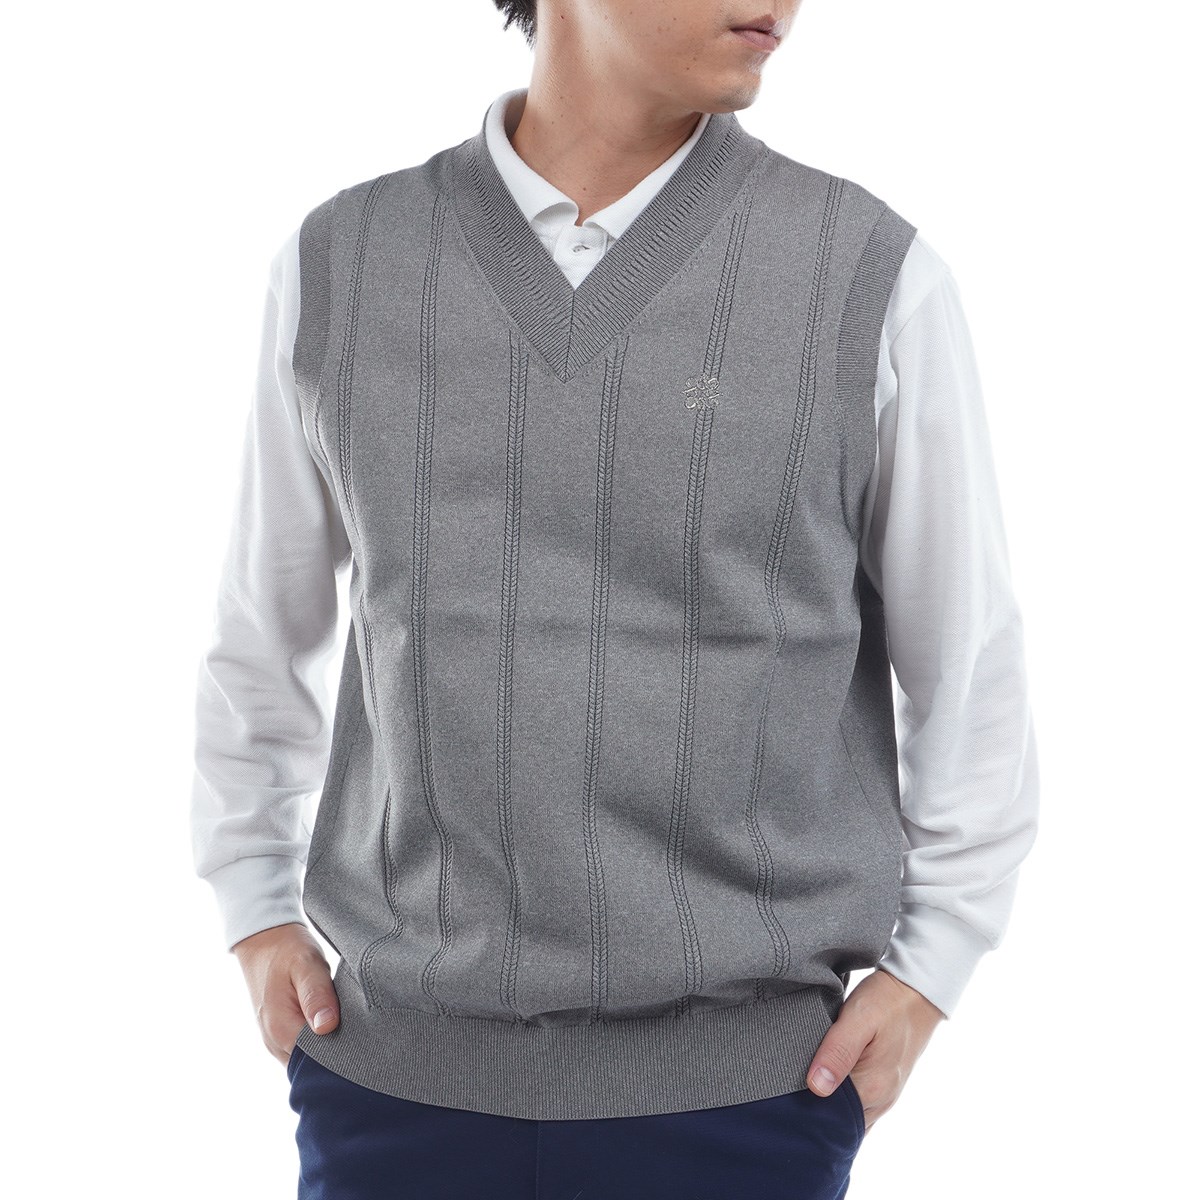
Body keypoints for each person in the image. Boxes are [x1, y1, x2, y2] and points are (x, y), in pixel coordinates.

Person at [190, 2, 1040, 1196]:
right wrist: (252, 905)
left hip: (746, 1098)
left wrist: (930, 971)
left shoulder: (867, 273)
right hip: (393, 1078)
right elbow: (260, 633)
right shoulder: (346, 261)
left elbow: (970, 663)